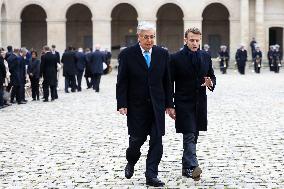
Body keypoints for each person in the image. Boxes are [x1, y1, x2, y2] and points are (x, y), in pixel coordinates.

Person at [116, 21, 174, 187]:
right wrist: (122, 103)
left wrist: (170, 104)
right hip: (136, 107)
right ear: (139, 37)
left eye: (152, 37)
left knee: (157, 141)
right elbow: (122, 81)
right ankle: (131, 161)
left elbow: (167, 81)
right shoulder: (127, 54)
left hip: (157, 106)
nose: (150, 40)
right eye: (146, 37)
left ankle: (151, 175)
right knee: (136, 141)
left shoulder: (162, 54)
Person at [169, 27, 216, 181]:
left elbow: (212, 76)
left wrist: (210, 83)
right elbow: (169, 83)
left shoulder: (205, 56)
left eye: (197, 40)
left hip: (200, 103)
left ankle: (186, 168)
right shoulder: (175, 58)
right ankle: (193, 166)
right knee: (189, 134)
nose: (195, 43)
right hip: (183, 103)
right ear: (185, 40)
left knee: (194, 135)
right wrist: (170, 105)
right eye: (192, 40)